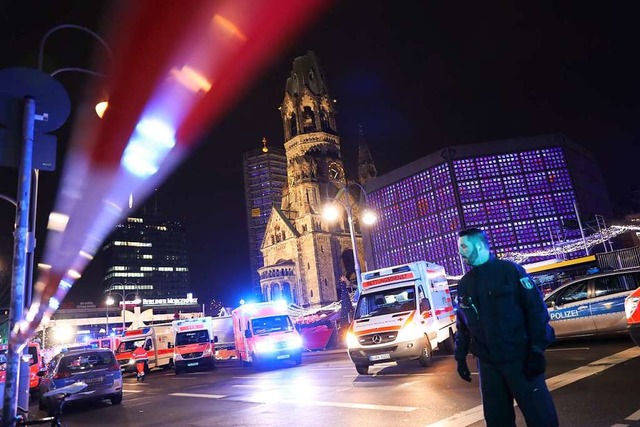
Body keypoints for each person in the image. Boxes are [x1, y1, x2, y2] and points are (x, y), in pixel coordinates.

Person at [454, 228, 558, 427]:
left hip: (520, 358)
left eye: (464, 246)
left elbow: (536, 311)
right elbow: (462, 324)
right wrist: (460, 358)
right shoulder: (465, 284)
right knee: (497, 421)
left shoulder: (510, 271)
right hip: (488, 366)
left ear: (478, 245)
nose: (460, 252)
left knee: (542, 419)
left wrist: (537, 350)